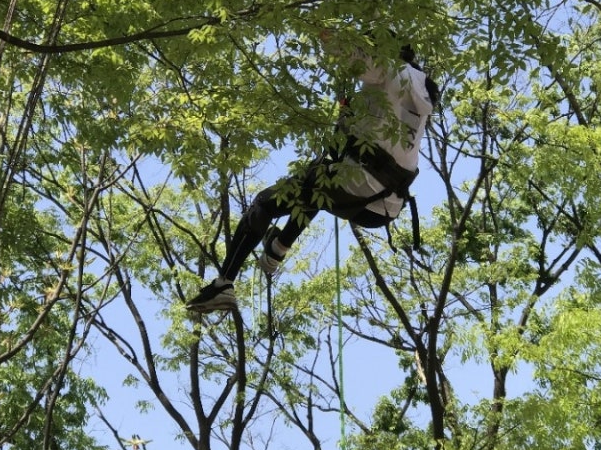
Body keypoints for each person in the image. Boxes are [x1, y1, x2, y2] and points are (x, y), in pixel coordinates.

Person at [186, 34, 439, 313]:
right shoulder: (419, 88)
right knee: (319, 182)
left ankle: (224, 284)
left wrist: (323, 27)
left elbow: (351, 58)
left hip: (359, 187)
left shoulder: (390, 68)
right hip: (384, 208)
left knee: (264, 202)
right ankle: (278, 248)